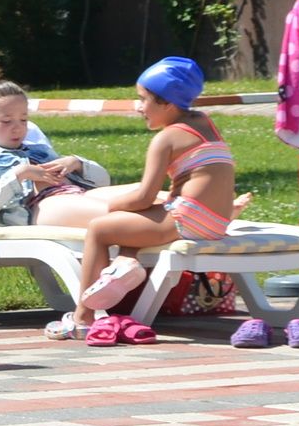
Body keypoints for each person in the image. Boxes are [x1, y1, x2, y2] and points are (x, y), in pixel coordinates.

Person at [52, 56, 241, 339]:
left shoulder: (166, 139)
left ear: (168, 102)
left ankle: (82, 318)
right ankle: (125, 263)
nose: (138, 107)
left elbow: (143, 195)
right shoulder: (204, 122)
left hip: (186, 220)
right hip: (216, 220)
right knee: (141, 220)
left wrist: (114, 207)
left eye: (143, 99)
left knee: (101, 229)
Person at [0, 80, 110, 228]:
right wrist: (19, 175)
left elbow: (104, 181)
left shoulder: (40, 150)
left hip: (79, 194)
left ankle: (126, 253)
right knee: (121, 214)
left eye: (23, 120)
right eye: (7, 121)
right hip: (45, 205)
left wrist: (77, 163)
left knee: (134, 198)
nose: (18, 128)